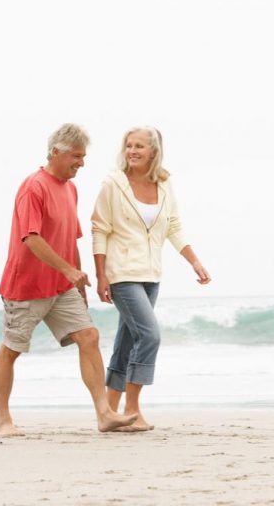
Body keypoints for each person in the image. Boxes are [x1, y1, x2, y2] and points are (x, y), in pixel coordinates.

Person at [0, 123, 138, 436]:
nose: (81, 163)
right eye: (76, 156)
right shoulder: (34, 187)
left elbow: (70, 239)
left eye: (83, 157)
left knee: (89, 336)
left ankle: (104, 413)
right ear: (56, 152)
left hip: (60, 287)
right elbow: (30, 237)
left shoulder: (70, 189)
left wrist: (77, 281)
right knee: (11, 350)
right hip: (26, 288)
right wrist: (68, 270)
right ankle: (4, 421)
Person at [92, 126, 210, 431]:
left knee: (127, 340)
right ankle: (133, 408)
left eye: (139, 146)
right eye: (129, 145)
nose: (132, 151)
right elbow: (99, 229)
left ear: (153, 152)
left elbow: (173, 226)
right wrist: (101, 274)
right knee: (150, 335)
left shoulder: (165, 184)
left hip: (151, 274)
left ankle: (109, 411)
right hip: (121, 274)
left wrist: (194, 261)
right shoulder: (113, 184)